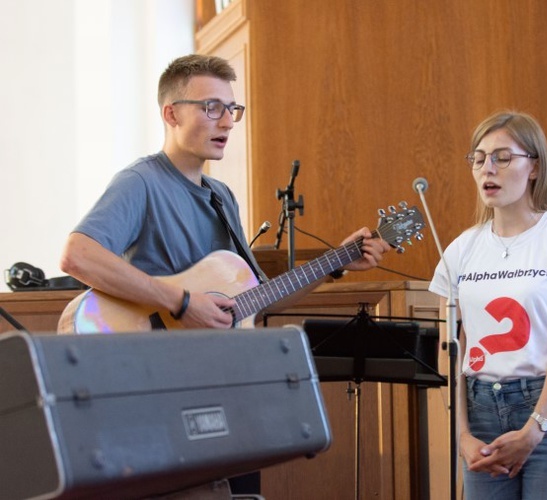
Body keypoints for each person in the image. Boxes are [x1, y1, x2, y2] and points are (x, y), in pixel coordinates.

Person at [59, 54, 390, 498]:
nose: (228, 122)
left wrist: (336, 262)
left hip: (219, 391)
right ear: (171, 113)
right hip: (162, 391)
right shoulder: (140, 181)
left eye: (232, 109)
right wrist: (180, 303)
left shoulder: (221, 197)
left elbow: (254, 300)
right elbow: (77, 255)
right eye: (211, 107)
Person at [429, 110, 547, 499]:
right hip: (481, 413)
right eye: (478, 158)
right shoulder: (461, 249)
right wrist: (462, 436)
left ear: (534, 168)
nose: (487, 168)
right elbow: (451, 351)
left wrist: (535, 427)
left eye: (502, 157)